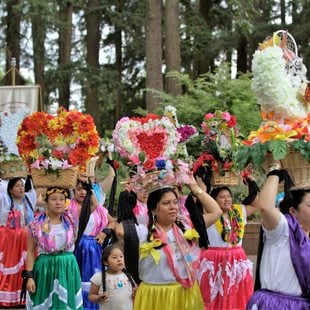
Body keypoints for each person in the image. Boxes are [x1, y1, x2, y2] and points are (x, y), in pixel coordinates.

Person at [116, 173, 223, 310]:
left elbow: (216, 212)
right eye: (166, 203)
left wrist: (195, 188)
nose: (173, 207)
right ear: (153, 209)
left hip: (185, 294)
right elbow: (120, 230)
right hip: (155, 296)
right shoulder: (143, 232)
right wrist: (126, 200)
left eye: (175, 202)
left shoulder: (187, 227)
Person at [247, 166, 310, 309]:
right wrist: (275, 173)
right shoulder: (283, 229)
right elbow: (266, 207)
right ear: (293, 211)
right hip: (276, 305)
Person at [198, 180, 259, 310]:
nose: (227, 199)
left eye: (229, 196)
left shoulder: (239, 211)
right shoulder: (209, 214)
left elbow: (255, 205)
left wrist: (250, 181)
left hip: (236, 260)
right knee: (213, 294)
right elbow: (200, 195)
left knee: (235, 293)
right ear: (213, 200)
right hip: (214, 262)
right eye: (222, 197)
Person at [23, 187, 83, 309]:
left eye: (62, 199)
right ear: (46, 202)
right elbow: (30, 251)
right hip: (45, 267)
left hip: (67, 266)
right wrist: (29, 277)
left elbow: (93, 204)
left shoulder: (72, 221)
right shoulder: (35, 225)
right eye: (53, 199)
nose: (58, 202)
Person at [70, 177, 116, 310]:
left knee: (92, 279)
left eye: (85, 189)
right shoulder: (68, 206)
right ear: (73, 190)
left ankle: (92, 306)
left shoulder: (98, 209)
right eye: (78, 189)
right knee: (77, 278)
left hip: (93, 248)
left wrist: (104, 232)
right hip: (76, 247)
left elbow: (112, 222)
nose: (82, 192)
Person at [0, 176, 36, 307]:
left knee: (26, 266)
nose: (21, 188)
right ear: (10, 189)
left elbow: (37, 188)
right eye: (17, 186)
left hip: (27, 240)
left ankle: (25, 295)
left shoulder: (28, 199)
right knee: (11, 268)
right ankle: (9, 296)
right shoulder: (5, 200)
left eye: (22, 185)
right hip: (11, 242)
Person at [89, 243, 136, 310]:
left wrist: (136, 293)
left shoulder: (128, 275)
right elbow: (91, 296)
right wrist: (98, 297)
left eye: (121, 256)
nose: (119, 259)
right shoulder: (98, 277)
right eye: (114, 257)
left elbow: (135, 291)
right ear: (105, 262)